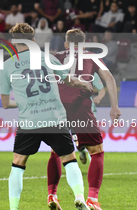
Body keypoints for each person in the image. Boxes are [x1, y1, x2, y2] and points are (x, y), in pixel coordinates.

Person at [0, 23, 92, 210]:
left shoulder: (7, 66)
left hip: (29, 122)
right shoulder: (47, 58)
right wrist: (83, 83)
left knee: (18, 164)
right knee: (69, 159)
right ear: (33, 41)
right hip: (54, 118)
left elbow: (5, 103)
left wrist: (25, 102)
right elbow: (69, 80)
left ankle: (13, 208)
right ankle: (80, 197)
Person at [47, 28, 121, 210]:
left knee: (56, 151)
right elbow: (109, 79)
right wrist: (114, 106)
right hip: (80, 105)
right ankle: (92, 199)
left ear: (66, 43)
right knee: (96, 151)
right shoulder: (92, 56)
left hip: (57, 107)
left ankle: (52, 195)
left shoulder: (55, 56)